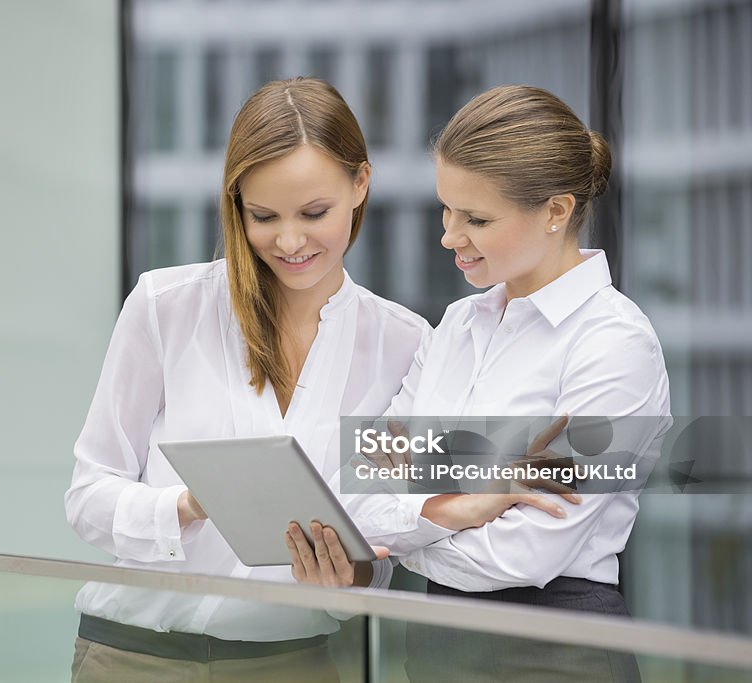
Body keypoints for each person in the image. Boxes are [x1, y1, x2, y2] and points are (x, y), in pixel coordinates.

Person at [64, 78, 574, 683]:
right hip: (133, 657)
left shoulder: (406, 344)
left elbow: (384, 536)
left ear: (360, 185)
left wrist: (350, 574)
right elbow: (88, 497)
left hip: (293, 663)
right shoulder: (167, 306)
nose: (288, 241)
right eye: (263, 216)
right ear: (236, 204)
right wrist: (188, 504)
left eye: (314, 213)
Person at [288, 85, 671, 682]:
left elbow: (529, 551)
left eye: (477, 219)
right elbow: (357, 490)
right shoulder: (457, 326)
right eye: (446, 209)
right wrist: (470, 503)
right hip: (433, 644)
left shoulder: (614, 345)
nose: (449, 236)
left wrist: (412, 524)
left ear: (555, 211)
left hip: (550, 653)